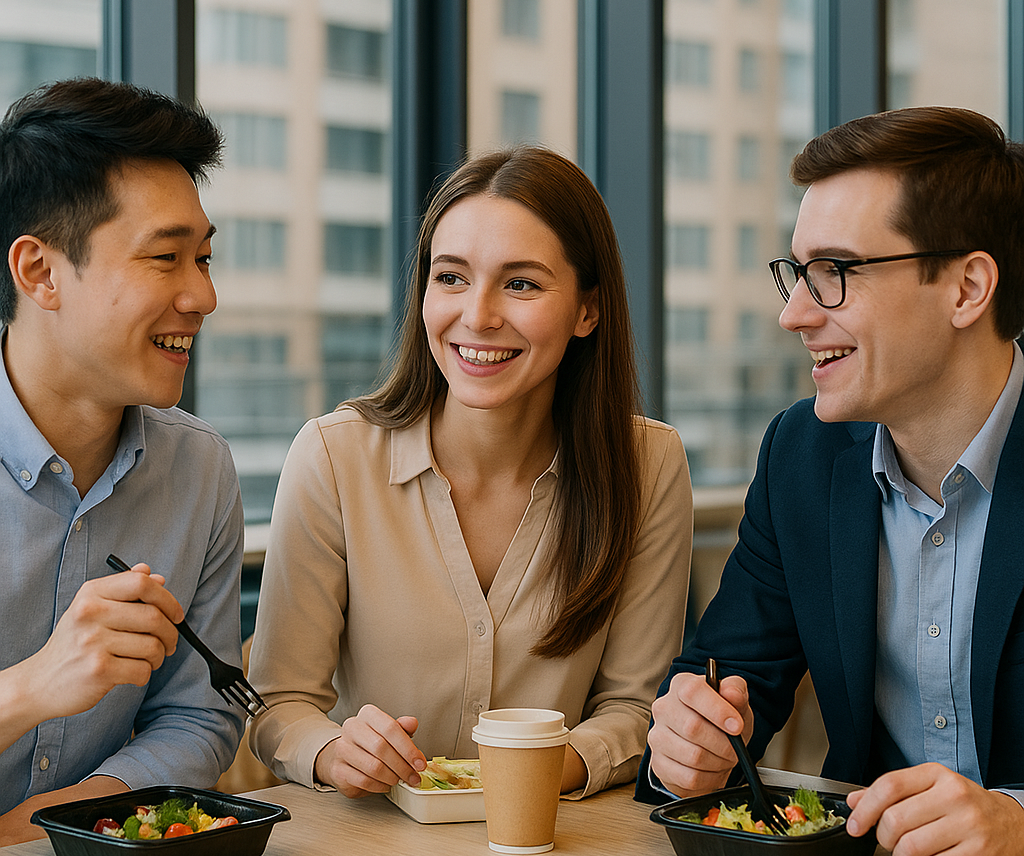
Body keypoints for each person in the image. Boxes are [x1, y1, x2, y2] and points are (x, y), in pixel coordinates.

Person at [247, 146, 692, 800]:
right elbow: (279, 703)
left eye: (521, 284)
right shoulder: (333, 458)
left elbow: (635, 709)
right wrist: (335, 751)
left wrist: (519, 779)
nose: (478, 315)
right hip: (375, 835)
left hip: (555, 835)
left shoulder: (649, 465)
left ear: (587, 310)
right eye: (451, 277)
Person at [637, 105, 1024, 855]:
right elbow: (726, 677)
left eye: (836, 273)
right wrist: (688, 745)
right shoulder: (802, 454)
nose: (793, 315)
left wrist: (1019, 821)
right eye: (798, 273)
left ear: (967, 288)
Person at [0, 78, 245, 843]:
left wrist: (46, 827)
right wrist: (32, 687)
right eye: (165, 257)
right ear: (40, 272)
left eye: (204, 258)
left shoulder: (200, 469)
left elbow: (197, 713)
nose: (202, 296)